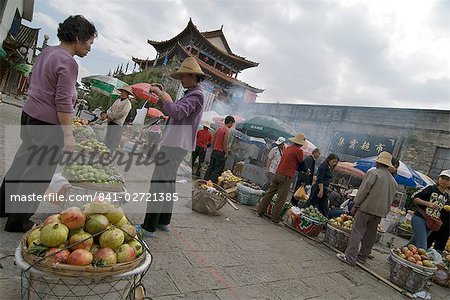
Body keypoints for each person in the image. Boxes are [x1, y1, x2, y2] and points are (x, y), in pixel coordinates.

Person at [0, 15, 97, 231]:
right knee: (39, 172)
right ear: (78, 37)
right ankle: (18, 221)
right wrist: (69, 134)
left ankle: (2, 207)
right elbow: (62, 102)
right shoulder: (68, 62)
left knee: (22, 162)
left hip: (29, 116)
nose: (90, 48)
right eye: (89, 42)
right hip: (47, 124)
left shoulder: (48, 52)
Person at [137, 57, 207, 238]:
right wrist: (162, 95)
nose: (182, 80)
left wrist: (164, 96)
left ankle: (149, 226)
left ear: (193, 76)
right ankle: (163, 221)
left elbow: (175, 111)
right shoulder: (191, 93)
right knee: (167, 183)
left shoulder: (196, 94)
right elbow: (172, 111)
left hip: (174, 145)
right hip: (176, 144)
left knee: (159, 182)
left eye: (183, 77)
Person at [337, 151, 398, 266]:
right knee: (370, 235)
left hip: (366, 208)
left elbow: (363, 191)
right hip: (380, 212)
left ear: (379, 163)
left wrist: (356, 204)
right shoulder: (393, 182)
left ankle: (350, 257)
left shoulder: (374, 173)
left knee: (357, 232)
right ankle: (362, 257)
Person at [257, 133, 306, 224]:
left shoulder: (287, 149)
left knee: (269, 193)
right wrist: (306, 170)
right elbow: (302, 165)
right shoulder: (298, 151)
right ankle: (275, 219)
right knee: (281, 198)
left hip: (277, 173)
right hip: (286, 177)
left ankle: (260, 211)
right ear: (301, 143)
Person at [409, 169, 450, 250]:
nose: (444, 181)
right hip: (420, 218)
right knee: (422, 247)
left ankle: (392, 258)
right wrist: (428, 204)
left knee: (412, 244)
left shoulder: (447, 196)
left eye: (447, 179)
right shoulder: (430, 188)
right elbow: (414, 198)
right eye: (442, 178)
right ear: (439, 179)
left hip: (432, 223)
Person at [306, 153, 340, 218]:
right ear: (329, 160)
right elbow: (320, 179)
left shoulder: (329, 168)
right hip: (318, 188)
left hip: (325, 190)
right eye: (333, 161)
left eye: (336, 162)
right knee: (311, 204)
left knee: (324, 208)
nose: (334, 163)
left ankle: (322, 224)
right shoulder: (323, 166)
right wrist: (321, 190)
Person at [203, 116, 235, 183]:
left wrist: (213, 149)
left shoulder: (218, 129)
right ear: (230, 122)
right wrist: (226, 152)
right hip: (220, 153)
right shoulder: (226, 130)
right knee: (217, 171)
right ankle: (211, 185)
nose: (232, 125)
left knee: (210, 168)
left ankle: (204, 181)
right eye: (232, 124)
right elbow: (225, 142)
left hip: (214, 151)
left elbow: (213, 141)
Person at [104, 85, 133, 153]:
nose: (122, 93)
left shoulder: (128, 103)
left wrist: (113, 117)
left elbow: (123, 113)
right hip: (110, 121)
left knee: (113, 139)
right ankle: (104, 151)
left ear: (127, 94)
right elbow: (110, 108)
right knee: (107, 137)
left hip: (117, 123)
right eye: (121, 92)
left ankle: (110, 154)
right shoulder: (117, 100)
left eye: (124, 92)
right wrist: (108, 114)